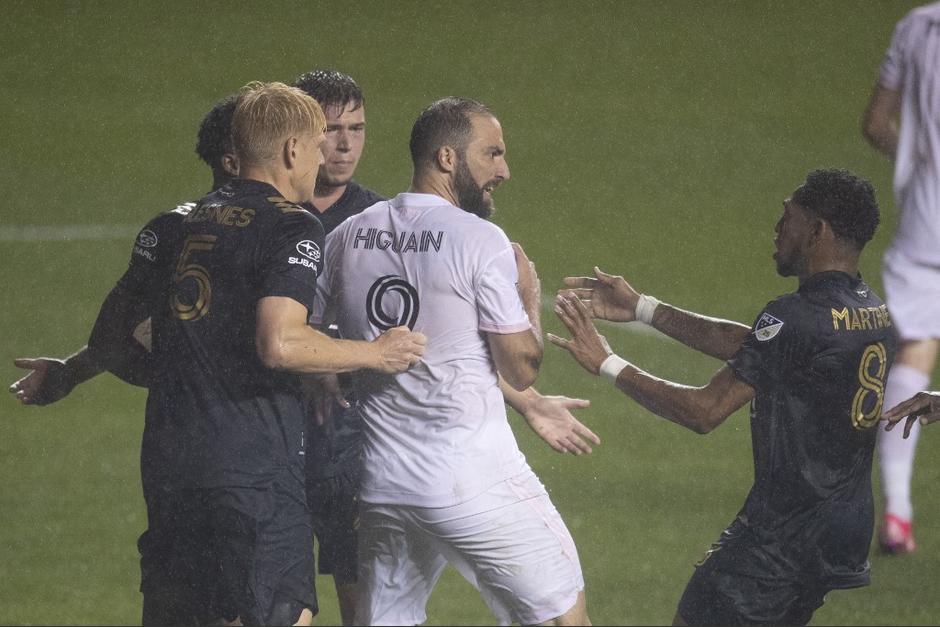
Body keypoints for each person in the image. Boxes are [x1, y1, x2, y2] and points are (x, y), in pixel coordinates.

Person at [73, 82, 428, 626]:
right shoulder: (291, 224)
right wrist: (376, 353)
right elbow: (280, 343)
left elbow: (108, 343)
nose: (322, 159)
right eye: (317, 145)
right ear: (291, 149)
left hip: (170, 466)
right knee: (282, 610)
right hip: (254, 474)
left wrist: (184, 374)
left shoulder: (178, 223)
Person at [292, 70, 600, 627]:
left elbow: (305, 336)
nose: (503, 170)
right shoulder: (480, 240)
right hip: (472, 480)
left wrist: (328, 379)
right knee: (562, 618)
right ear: (447, 158)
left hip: (383, 485)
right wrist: (528, 294)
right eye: (492, 154)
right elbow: (522, 366)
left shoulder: (348, 234)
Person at [550, 169, 895, 626]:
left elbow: (704, 411)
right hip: (838, 534)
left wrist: (607, 364)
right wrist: (643, 307)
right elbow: (759, 346)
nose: (777, 229)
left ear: (817, 231)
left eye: (787, 218)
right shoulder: (871, 310)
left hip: (778, 544)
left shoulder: (796, 315)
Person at [861, 1, 940, 555]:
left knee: (916, 349)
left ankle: (897, 511)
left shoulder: (917, 26)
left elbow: (875, 124)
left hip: (925, 223)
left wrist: (916, 167)